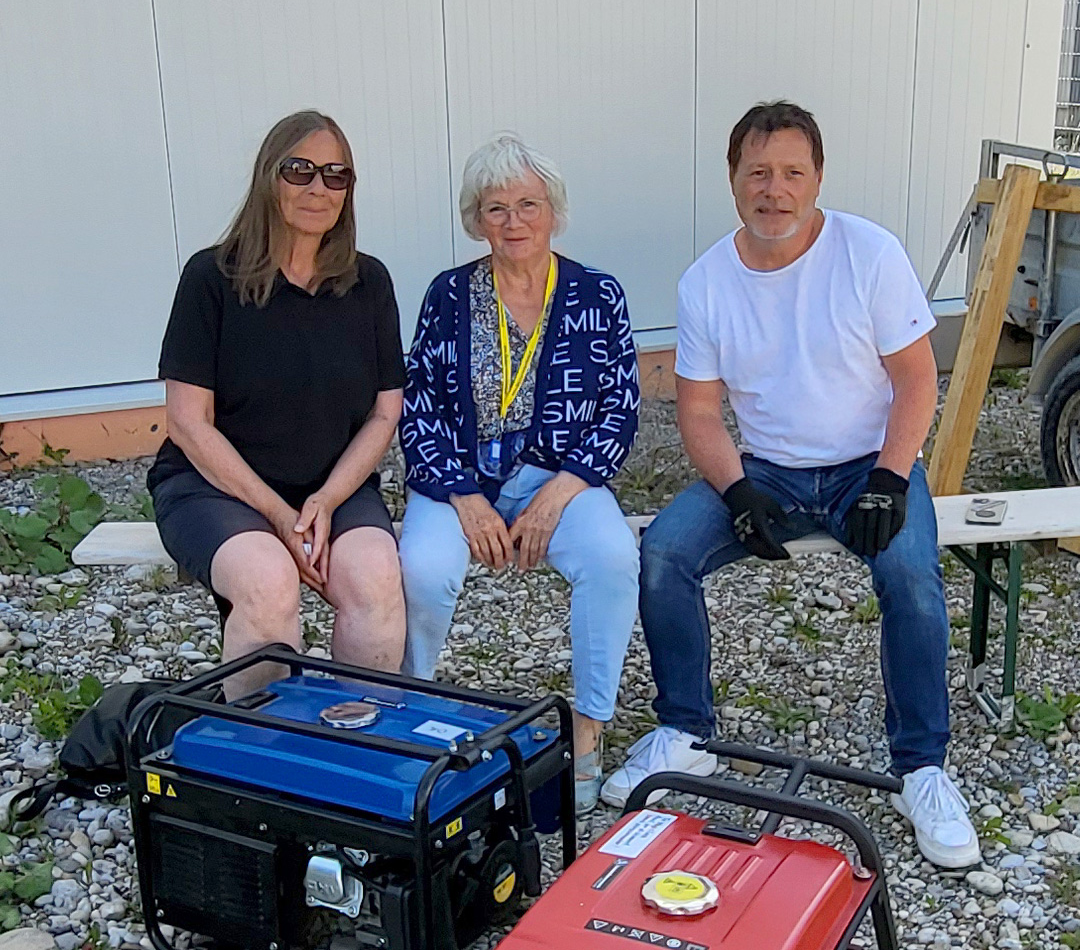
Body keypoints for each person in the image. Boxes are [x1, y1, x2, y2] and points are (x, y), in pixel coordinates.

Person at [602, 101, 979, 870]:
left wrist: (890, 477)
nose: (774, 190)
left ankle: (922, 768)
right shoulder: (707, 282)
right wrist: (736, 490)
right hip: (766, 469)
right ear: (733, 179)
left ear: (818, 178)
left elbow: (916, 379)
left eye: (792, 173)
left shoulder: (868, 253)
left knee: (911, 576)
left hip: (866, 465)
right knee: (665, 551)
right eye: (758, 173)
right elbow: (698, 412)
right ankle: (685, 730)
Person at [398, 134, 640, 814]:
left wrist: (561, 492)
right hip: (459, 480)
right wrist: (465, 498)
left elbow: (620, 409)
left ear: (553, 211)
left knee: (612, 558)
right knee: (423, 568)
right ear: (476, 219)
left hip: (560, 478)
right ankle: (408, 713)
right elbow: (419, 409)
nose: (514, 222)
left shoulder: (596, 294)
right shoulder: (448, 295)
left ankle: (587, 731)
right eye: (496, 208)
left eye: (528, 204)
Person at [147, 110, 407, 698]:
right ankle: (261, 748)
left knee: (375, 578)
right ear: (270, 176)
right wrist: (277, 514)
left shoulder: (368, 282)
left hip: (331, 487)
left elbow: (384, 413)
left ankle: (359, 738)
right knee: (267, 584)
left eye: (336, 175)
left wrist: (325, 499)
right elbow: (188, 422)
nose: (319, 187)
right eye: (300, 170)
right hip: (213, 487)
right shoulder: (211, 277)